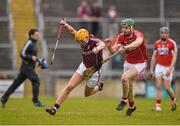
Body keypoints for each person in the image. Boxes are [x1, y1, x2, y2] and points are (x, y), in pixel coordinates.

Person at [46, 19, 105, 116]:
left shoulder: (94, 41)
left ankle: (98, 87)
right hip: (84, 67)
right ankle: (54, 108)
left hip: (94, 71)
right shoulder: (80, 37)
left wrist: (97, 48)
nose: (80, 44)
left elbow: (102, 44)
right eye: (79, 42)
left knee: (87, 94)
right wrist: (65, 24)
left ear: (86, 38)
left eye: (81, 42)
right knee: (69, 86)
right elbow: (72, 31)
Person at [106, 19, 148, 116]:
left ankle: (124, 100)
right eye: (123, 27)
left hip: (140, 63)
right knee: (129, 86)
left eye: (126, 28)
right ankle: (132, 106)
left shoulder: (137, 34)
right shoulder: (121, 37)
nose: (124, 30)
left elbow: (138, 42)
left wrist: (126, 47)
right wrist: (109, 46)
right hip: (128, 63)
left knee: (124, 78)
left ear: (131, 28)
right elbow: (113, 51)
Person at [1, 28, 47, 108]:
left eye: (38, 35)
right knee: (36, 80)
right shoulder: (29, 43)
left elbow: (32, 58)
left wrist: (38, 62)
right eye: (36, 35)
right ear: (31, 35)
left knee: (16, 84)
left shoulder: (34, 44)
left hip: (27, 68)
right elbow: (22, 53)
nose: (38, 37)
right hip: (26, 68)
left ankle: (4, 97)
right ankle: (35, 101)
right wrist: (32, 57)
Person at [150, 27, 177, 111]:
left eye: (165, 33)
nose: (163, 34)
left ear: (168, 34)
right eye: (162, 33)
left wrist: (170, 68)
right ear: (160, 34)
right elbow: (154, 57)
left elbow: (174, 57)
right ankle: (158, 106)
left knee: (167, 88)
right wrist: (151, 69)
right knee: (158, 86)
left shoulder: (172, 43)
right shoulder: (157, 43)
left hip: (168, 66)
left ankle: (173, 99)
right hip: (159, 66)